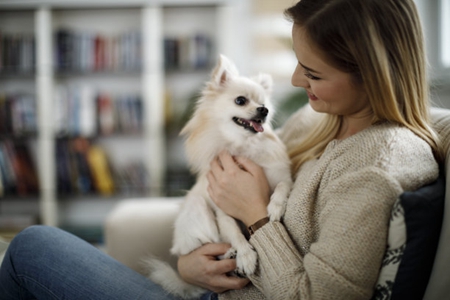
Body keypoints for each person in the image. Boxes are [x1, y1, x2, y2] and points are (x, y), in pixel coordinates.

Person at [0, 0, 442, 299]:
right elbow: (219, 190)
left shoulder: (376, 167)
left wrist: (255, 216)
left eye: (312, 72)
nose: (292, 81)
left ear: (372, 71)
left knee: (30, 247)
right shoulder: (320, 123)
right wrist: (191, 268)